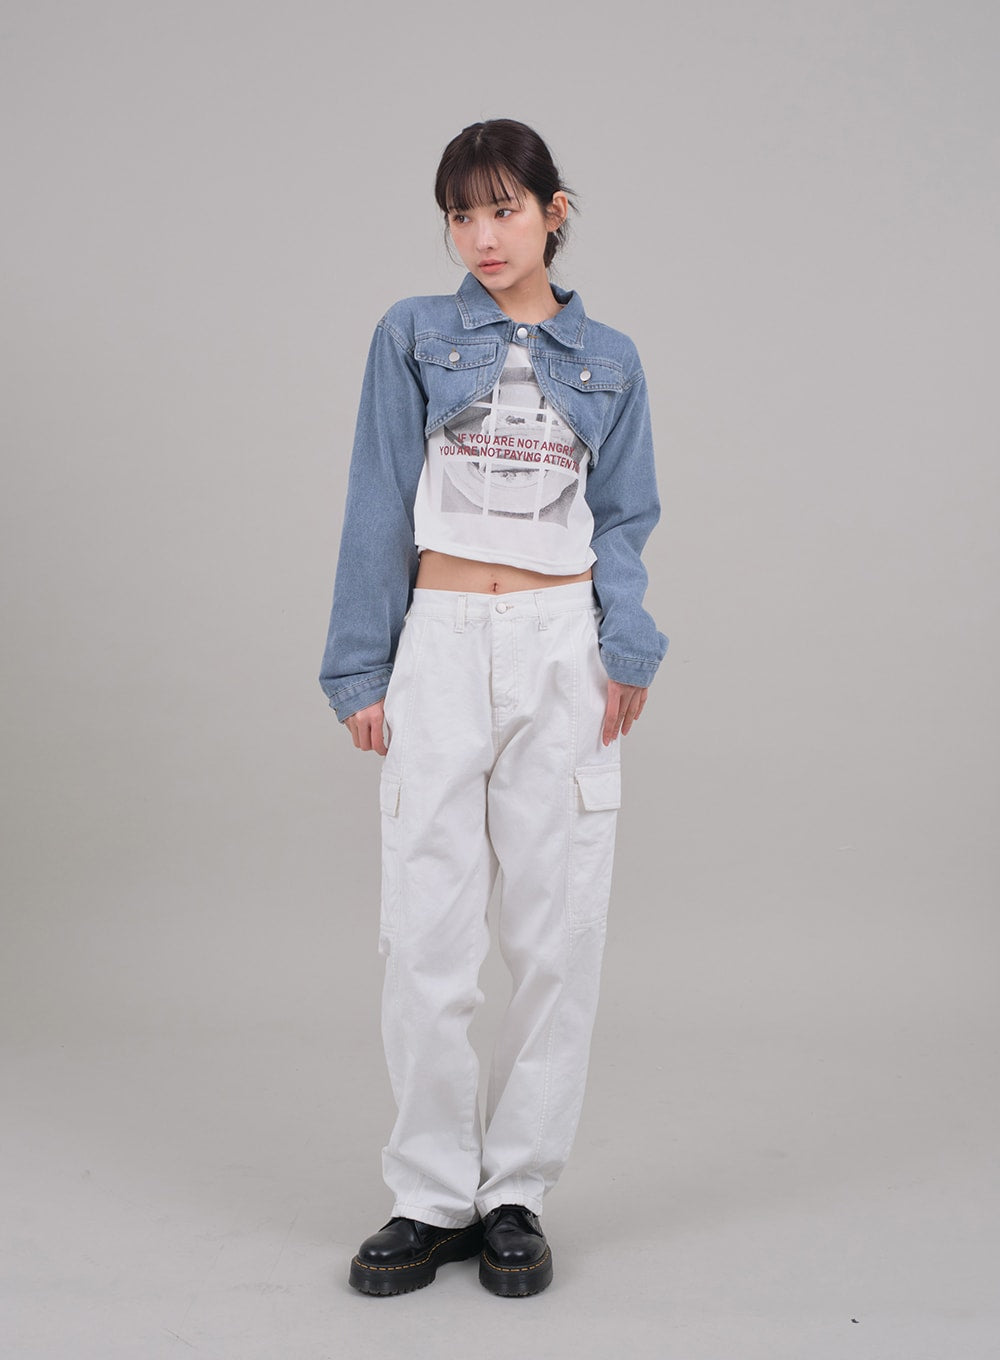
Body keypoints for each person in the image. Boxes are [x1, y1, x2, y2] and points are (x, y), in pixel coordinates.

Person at [319, 119, 668, 1297]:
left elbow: (626, 517)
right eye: (461, 214)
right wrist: (360, 668)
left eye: (503, 209)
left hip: (562, 646)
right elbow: (377, 495)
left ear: (552, 211)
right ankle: (427, 1194)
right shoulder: (412, 334)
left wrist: (627, 644)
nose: (481, 235)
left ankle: (516, 1190)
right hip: (440, 643)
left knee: (556, 933)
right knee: (425, 933)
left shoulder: (610, 357)